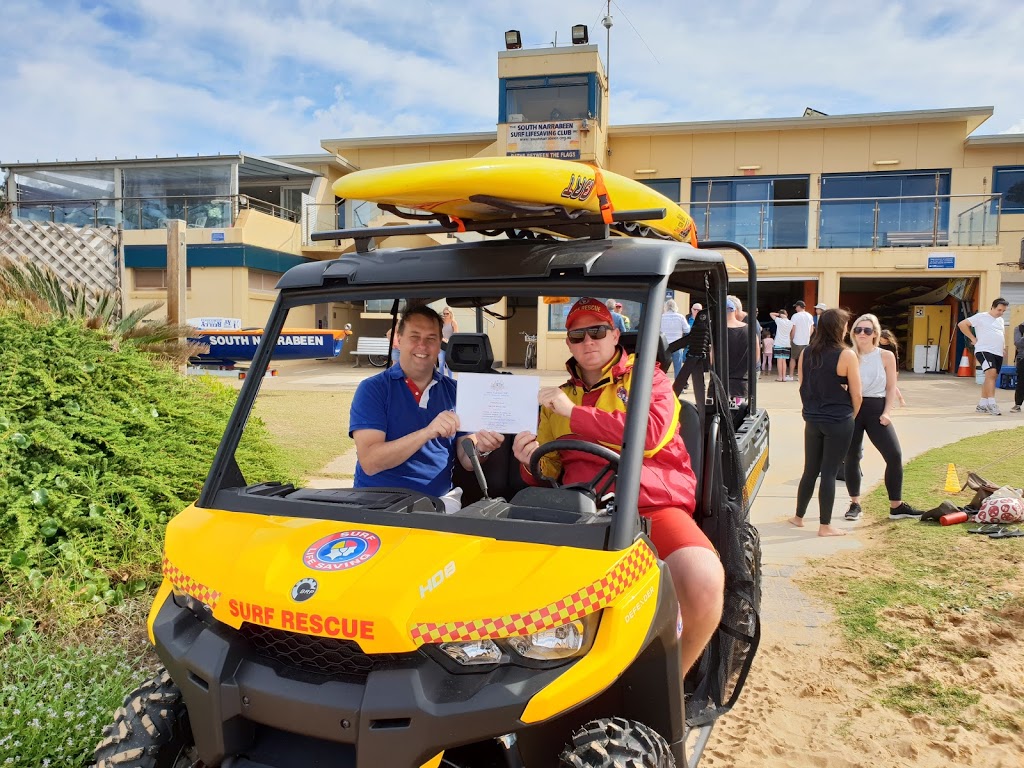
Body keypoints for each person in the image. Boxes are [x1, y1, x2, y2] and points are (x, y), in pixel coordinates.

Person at [511, 297, 724, 673]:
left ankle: (672, 681)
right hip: (581, 511)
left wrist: (573, 414)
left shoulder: (649, 378)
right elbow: (548, 470)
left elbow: (651, 435)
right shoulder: (558, 397)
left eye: (597, 332)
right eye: (578, 335)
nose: (588, 342)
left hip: (651, 503)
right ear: (569, 343)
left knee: (702, 578)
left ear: (614, 335)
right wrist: (528, 458)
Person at [349, 306, 504, 513]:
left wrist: (483, 448)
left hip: (437, 502)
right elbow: (370, 462)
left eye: (431, 338)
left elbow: (468, 460)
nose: (422, 345)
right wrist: (427, 432)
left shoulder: (456, 391)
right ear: (400, 339)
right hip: (377, 503)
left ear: (440, 342)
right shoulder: (373, 389)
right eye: (415, 337)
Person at [789, 308, 862, 537]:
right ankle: (825, 526)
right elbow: (857, 394)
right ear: (840, 328)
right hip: (838, 419)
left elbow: (802, 386)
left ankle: (798, 517)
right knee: (829, 472)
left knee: (810, 470)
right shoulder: (846, 354)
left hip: (812, 419)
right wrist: (851, 415)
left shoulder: (807, 352)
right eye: (846, 325)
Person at [843, 314, 921, 522]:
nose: (862, 334)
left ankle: (896, 506)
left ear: (875, 334)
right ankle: (855, 503)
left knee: (894, 455)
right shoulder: (847, 354)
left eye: (867, 330)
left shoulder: (886, 356)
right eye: (858, 329)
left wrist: (887, 412)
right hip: (852, 409)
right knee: (852, 457)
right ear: (852, 332)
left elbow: (890, 387)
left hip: (877, 408)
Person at [958, 298, 1009, 415]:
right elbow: (962, 324)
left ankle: (982, 404)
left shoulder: (1000, 320)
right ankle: (992, 403)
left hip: (998, 352)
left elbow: (1001, 334)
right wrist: (972, 338)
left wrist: (1003, 348)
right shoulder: (981, 317)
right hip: (984, 350)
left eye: (1003, 311)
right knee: (991, 373)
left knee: (991, 376)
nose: (1001, 313)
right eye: (999, 310)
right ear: (992, 307)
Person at [725, 296, 750, 401]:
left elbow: (712, 359)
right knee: (740, 415)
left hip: (719, 384)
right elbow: (756, 357)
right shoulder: (749, 329)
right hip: (741, 383)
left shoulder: (716, 330)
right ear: (735, 311)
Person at [660, 298, 690, 380]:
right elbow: (687, 329)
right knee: (678, 367)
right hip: (677, 344)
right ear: (675, 307)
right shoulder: (680, 317)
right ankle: (678, 387)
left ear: (665, 307)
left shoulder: (661, 317)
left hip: (664, 346)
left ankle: (662, 385)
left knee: (663, 368)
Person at [878, 329, 906, 406]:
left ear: (887, 339)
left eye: (882, 339)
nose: (881, 341)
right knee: (883, 385)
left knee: (891, 385)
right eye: (880, 339)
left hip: (890, 367)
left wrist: (896, 370)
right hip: (881, 367)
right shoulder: (877, 345)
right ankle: (890, 402)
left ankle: (900, 399)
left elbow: (896, 358)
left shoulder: (892, 346)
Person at [790, 300, 816, 379]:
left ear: (799, 307)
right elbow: (812, 329)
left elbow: (793, 329)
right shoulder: (809, 316)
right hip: (806, 341)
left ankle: (791, 376)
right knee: (804, 359)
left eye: (796, 307)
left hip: (796, 340)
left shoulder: (795, 316)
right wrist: (808, 337)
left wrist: (791, 338)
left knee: (793, 358)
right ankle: (801, 376)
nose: (795, 309)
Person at [770, 309, 794, 381]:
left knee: (779, 360)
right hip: (787, 343)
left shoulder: (779, 321)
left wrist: (778, 314)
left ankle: (780, 377)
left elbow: (771, 314)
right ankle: (784, 377)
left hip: (778, 343)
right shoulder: (791, 322)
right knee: (784, 360)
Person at [438, 306, 459, 376]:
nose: (445, 315)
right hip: (441, 345)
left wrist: (449, 340)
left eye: (447, 313)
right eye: (444, 314)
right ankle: (441, 380)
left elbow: (456, 334)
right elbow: (438, 333)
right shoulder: (441, 322)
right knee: (441, 364)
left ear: (450, 313)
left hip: (450, 346)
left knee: (449, 364)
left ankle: (451, 380)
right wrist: (442, 339)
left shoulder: (453, 322)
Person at [1013, 318, 1024, 413]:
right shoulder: (1019, 328)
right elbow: (1018, 343)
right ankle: (1018, 404)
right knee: (1021, 382)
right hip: (1022, 359)